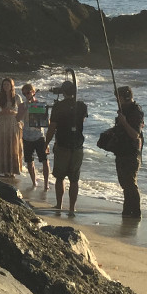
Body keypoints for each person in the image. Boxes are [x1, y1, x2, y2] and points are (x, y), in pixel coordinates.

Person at [44, 80, 87, 213]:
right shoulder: (82, 106)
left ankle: (59, 205)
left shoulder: (58, 106)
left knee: (60, 177)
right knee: (74, 179)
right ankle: (72, 208)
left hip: (62, 145)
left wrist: (46, 143)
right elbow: (82, 120)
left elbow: (52, 127)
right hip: (77, 145)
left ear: (63, 92)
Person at [114, 86, 144, 218]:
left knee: (130, 183)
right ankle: (127, 210)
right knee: (124, 183)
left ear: (125, 97)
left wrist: (124, 122)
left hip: (131, 153)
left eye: (118, 98)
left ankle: (136, 212)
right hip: (121, 150)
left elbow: (135, 134)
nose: (117, 101)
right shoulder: (124, 111)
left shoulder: (136, 112)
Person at [0, 77, 23, 177]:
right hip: (2, 122)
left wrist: (13, 112)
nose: (6, 86)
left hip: (13, 122)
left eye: (8, 84)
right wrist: (0, 112)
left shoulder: (17, 97)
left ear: (12, 86)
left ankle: (13, 170)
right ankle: (4, 170)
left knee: (13, 146)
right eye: (4, 84)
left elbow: (22, 111)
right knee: (3, 146)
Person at [18, 83, 50, 188]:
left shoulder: (40, 104)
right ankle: (34, 182)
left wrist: (37, 109)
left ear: (33, 92)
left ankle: (46, 183)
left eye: (28, 93)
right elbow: (18, 118)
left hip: (39, 136)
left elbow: (46, 122)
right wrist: (26, 108)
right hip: (27, 136)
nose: (26, 95)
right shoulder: (22, 105)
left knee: (44, 159)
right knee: (29, 161)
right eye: (24, 94)